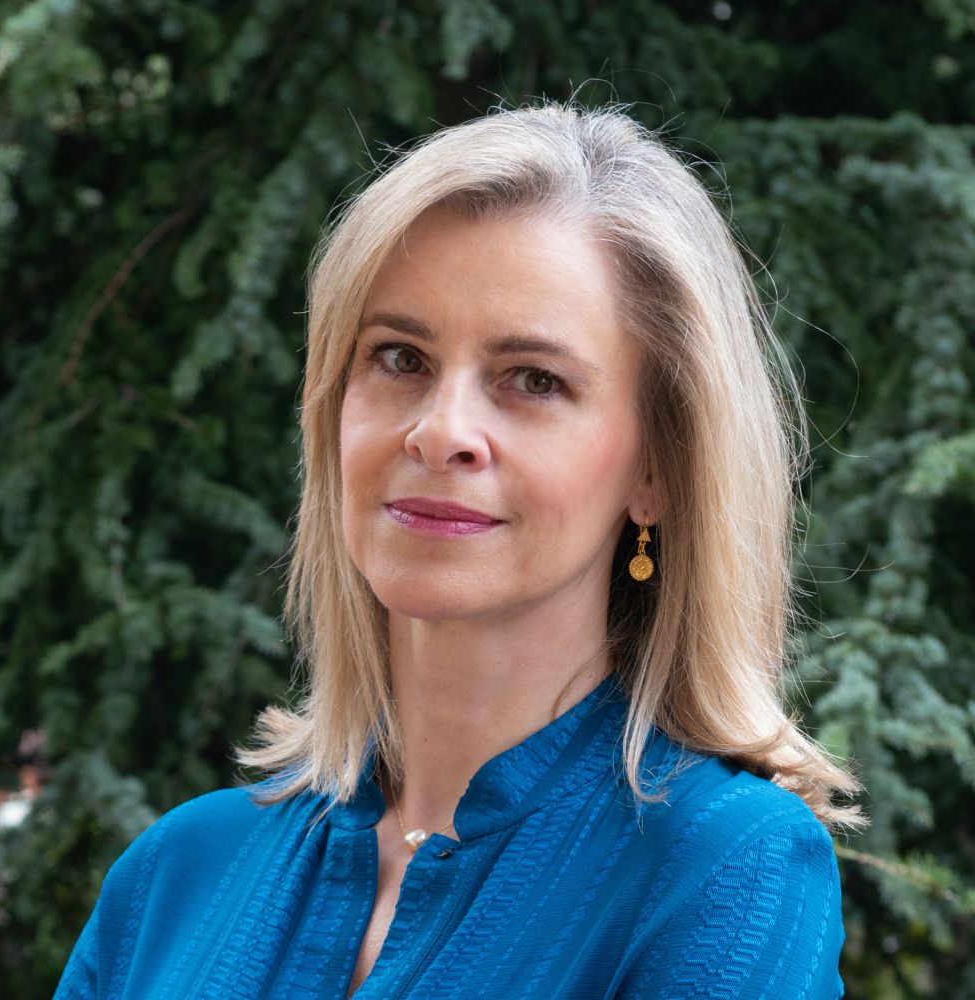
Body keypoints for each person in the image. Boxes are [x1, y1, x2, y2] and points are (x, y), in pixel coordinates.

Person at [55, 102, 862, 1000]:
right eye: (399, 358)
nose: (441, 433)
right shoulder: (175, 879)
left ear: (658, 470)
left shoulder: (725, 871)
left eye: (533, 379)